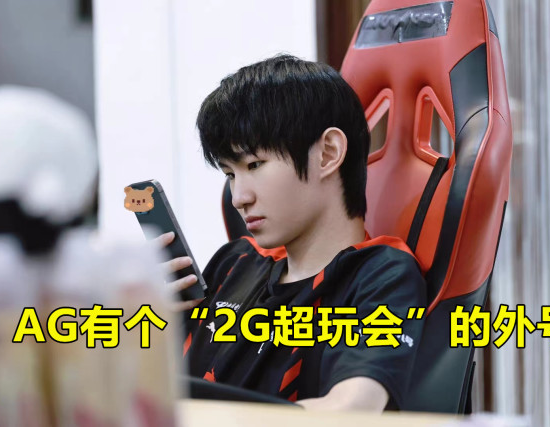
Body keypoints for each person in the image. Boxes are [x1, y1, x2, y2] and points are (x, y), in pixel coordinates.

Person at [160, 55, 426, 412]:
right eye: (231, 175)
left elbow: (351, 408)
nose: (239, 198)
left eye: (255, 164)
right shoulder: (235, 262)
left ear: (327, 154)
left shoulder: (381, 275)